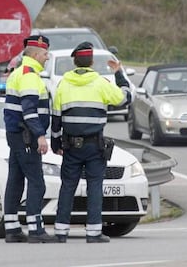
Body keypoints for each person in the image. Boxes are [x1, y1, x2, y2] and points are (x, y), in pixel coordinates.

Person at [51, 41, 132, 243]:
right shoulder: (101, 83)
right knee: (95, 186)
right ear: (92, 62)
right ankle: (94, 232)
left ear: (75, 62)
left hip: (70, 146)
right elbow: (125, 98)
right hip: (94, 146)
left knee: (68, 186)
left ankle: (61, 232)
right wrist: (119, 73)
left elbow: (56, 117)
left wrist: (55, 144)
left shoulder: (63, 84)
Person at [3, 35, 58, 243]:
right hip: (26, 136)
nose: (47, 57)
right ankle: (36, 230)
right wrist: (40, 135)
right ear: (35, 54)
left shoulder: (20, 72)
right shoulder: (29, 76)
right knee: (37, 182)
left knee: (16, 180)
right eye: (45, 54)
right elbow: (29, 110)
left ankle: (12, 229)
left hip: (17, 134)